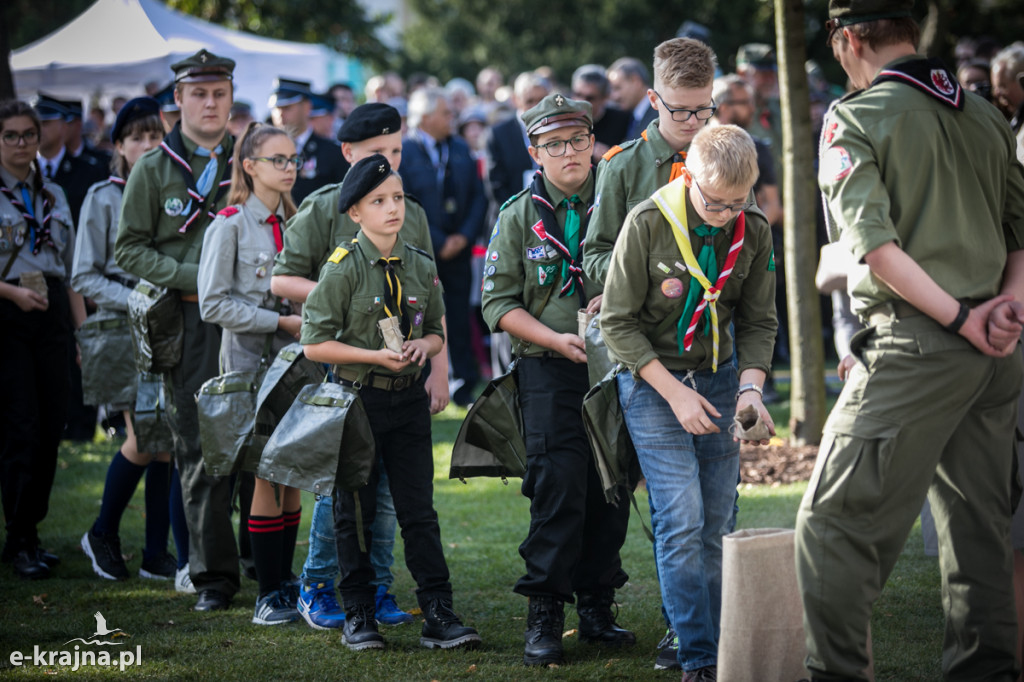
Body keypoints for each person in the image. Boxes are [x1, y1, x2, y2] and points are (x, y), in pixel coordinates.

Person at [795, 2, 1024, 679]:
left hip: (921, 345)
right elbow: (1021, 234)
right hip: (996, 353)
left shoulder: (853, 118)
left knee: (830, 528)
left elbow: (873, 250)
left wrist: (960, 319)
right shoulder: (983, 113)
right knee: (977, 534)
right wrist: (1002, 312)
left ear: (846, 41)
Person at [601, 124, 777, 681]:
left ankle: (721, 638)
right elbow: (616, 323)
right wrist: (675, 394)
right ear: (689, 175)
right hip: (654, 381)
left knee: (717, 520)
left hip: (721, 377)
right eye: (714, 202)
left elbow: (758, 318)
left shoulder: (752, 227)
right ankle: (698, 656)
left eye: (737, 203)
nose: (725, 214)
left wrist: (751, 388)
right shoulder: (648, 222)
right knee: (680, 516)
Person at [584, 38, 728, 671]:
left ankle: (699, 627)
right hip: (648, 357)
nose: (694, 123)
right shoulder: (621, 167)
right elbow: (591, 256)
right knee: (677, 510)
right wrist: (642, 276)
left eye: (705, 110)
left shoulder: (725, 156)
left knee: (712, 512)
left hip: (714, 358)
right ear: (652, 101)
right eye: (681, 112)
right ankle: (682, 631)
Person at [271, 102, 441, 631]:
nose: (390, 166)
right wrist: (340, 292)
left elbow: (426, 295)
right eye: (376, 155)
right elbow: (282, 280)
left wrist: (439, 365)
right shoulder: (327, 207)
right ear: (347, 154)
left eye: (396, 153)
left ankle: (381, 588)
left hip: (404, 373)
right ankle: (321, 585)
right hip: (348, 374)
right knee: (343, 496)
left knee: (395, 496)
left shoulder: (407, 210)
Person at [301, 153, 481, 651]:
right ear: (355, 213)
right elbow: (314, 343)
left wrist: (424, 347)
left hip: (407, 405)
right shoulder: (342, 268)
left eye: (398, 198)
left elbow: (438, 331)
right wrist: (373, 356)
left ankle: (438, 611)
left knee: (418, 511)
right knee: (353, 512)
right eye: (378, 201)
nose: (392, 208)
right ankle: (359, 614)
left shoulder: (421, 264)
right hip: (358, 403)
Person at [481, 93, 634, 666]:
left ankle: (597, 604)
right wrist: (554, 339)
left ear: (593, 143)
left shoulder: (618, 206)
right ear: (534, 152)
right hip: (548, 369)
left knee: (610, 485)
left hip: (615, 364)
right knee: (557, 485)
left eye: (577, 140)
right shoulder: (519, 214)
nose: (567, 152)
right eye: (553, 144)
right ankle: (545, 609)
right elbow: (496, 304)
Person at [115, 48, 240, 612]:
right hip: (186, 319)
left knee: (253, 444)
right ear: (179, 101)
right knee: (195, 446)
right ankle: (211, 575)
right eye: (198, 93)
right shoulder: (154, 168)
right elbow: (129, 248)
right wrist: (197, 276)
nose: (209, 103)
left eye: (218, 93)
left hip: (250, 320)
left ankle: (265, 563)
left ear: (230, 98)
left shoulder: (252, 159)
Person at [197, 122, 306, 625]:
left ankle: (285, 579)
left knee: (293, 472)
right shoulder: (231, 224)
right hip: (250, 366)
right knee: (264, 472)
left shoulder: (299, 220)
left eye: (292, 159)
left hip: (297, 364)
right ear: (249, 166)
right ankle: (268, 592)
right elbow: (213, 303)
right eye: (277, 160)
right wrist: (277, 320)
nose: (289, 168)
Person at [75, 97, 184, 585]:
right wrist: (135, 296)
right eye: (136, 137)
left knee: (165, 443)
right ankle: (101, 533)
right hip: (123, 328)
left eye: (155, 136)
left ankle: (155, 552)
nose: (147, 145)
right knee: (143, 436)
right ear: (118, 145)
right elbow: (83, 275)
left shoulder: (172, 194)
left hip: (167, 327)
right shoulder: (103, 196)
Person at [0, 99, 85, 579]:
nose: (20, 144)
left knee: (53, 424)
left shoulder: (52, 194)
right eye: (10, 135)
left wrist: (80, 333)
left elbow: (70, 272)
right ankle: (19, 538)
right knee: (20, 427)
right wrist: (10, 292)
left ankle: (30, 529)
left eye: (27, 135)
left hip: (51, 312)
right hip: (7, 315)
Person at [401, 87, 487, 406]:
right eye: (445, 114)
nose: (453, 119)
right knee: (422, 318)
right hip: (422, 253)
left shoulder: (461, 148)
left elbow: (480, 196)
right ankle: (424, 382)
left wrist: (463, 237)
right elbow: (406, 202)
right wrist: (438, 241)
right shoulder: (405, 152)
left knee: (460, 317)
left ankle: (464, 381)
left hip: (460, 252)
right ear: (425, 118)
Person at [268, 78, 349, 206]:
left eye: (287, 107)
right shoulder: (264, 152)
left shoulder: (333, 153)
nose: (280, 114)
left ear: (307, 107)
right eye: (276, 108)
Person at [486, 71, 551, 208]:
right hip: (511, 213)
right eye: (530, 101)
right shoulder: (498, 134)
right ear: (515, 100)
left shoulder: (557, 129)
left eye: (541, 100)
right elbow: (495, 185)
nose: (536, 107)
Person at [571, 65, 632, 163]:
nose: (581, 102)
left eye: (590, 98)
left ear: (605, 98)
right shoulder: (564, 121)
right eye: (578, 94)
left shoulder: (622, 120)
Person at [607, 57, 657, 140]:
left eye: (617, 88)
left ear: (636, 81)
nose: (614, 96)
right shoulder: (630, 118)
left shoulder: (660, 115)